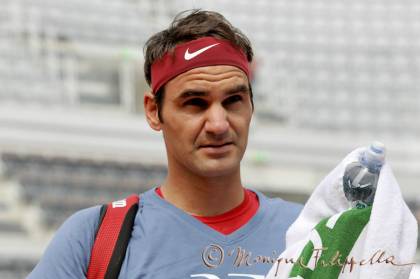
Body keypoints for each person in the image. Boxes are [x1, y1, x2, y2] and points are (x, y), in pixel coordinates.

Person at [28, 10, 302, 279]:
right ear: (152, 111)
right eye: (195, 103)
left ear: (251, 106)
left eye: (233, 101)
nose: (218, 124)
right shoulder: (95, 238)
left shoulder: (308, 234)